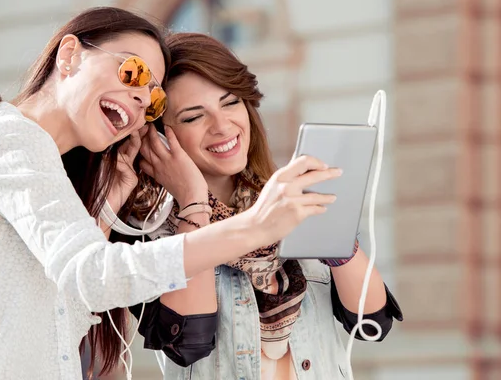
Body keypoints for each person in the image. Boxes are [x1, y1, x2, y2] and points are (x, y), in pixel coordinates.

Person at [0, 8, 343, 380]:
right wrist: (254, 225)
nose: (137, 100)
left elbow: (60, 312)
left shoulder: (33, 160)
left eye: (151, 100)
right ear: (70, 55)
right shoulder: (5, 140)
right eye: (132, 72)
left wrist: (108, 206)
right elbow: (95, 277)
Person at [125, 33, 403, 380]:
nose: (223, 126)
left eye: (229, 103)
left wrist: (335, 235)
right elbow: (188, 345)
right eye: (194, 117)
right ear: (159, 137)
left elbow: (372, 322)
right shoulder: (146, 236)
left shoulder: (289, 200)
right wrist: (192, 201)